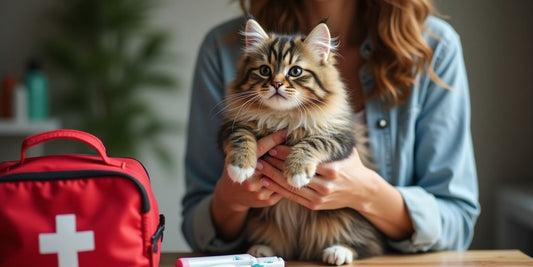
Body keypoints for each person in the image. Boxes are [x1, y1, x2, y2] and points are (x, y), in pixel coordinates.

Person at [182, 0, 480, 254]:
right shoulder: (223, 48)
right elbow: (195, 227)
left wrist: (368, 194)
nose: (277, 81)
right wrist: (229, 199)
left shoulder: (435, 48)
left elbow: (458, 223)